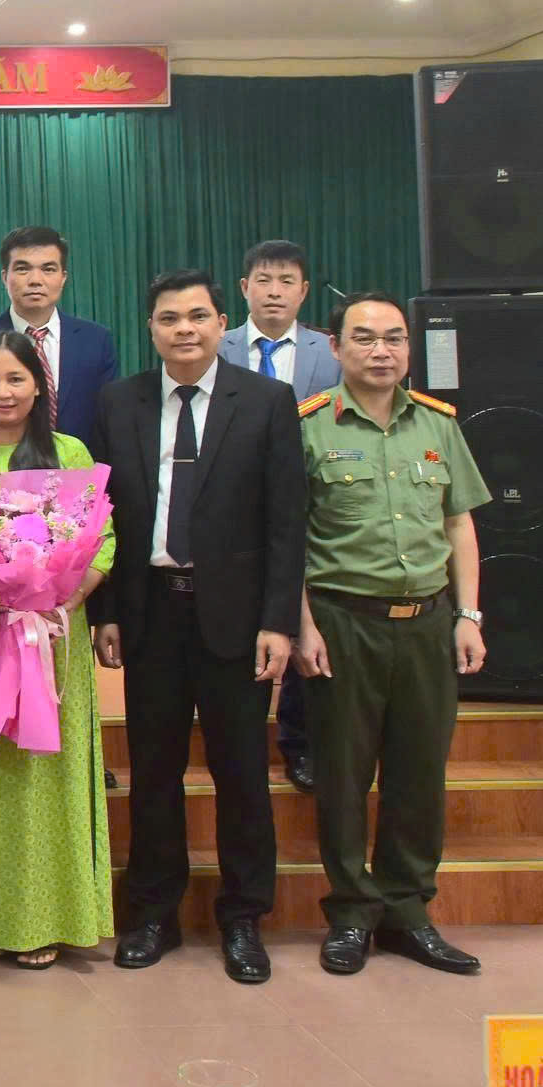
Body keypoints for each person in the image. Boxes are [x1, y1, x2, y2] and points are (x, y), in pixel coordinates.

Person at [89, 271, 305, 985]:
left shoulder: (266, 402)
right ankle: (154, 913)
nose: (184, 329)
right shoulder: (119, 402)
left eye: (197, 316)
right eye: (169, 318)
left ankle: (243, 917)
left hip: (237, 620)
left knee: (241, 772)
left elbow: (286, 522)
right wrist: (107, 611)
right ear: (150, 329)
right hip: (150, 612)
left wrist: (279, 621)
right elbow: (103, 517)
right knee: (154, 771)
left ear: (220, 323)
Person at [295, 294, 490, 978]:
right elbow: (287, 537)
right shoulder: (308, 428)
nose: (381, 351)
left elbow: (459, 522)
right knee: (344, 776)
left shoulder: (438, 424)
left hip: (429, 622)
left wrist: (469, 615)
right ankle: (352, 914)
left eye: (394, 338)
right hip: (343, 622)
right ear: (336, 348)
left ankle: (408, 913)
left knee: (419, 775)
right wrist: (303, 625)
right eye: (365, 338)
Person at [0, 331, 115, 969]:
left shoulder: (70, 453)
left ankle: (56, 916)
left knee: (49, 769)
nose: (3, 392)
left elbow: (104, 538)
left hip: (55, 636)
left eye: (15, 378)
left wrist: (69, 594)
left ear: (39, 385)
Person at [223, 239, 343, 794]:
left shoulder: (330, 352)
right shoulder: (217, 345)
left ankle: (300, 742)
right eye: (264, 280)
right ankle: (235, 738)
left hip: (313, 504)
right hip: (233, 506)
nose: (275, 291)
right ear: (244, 287)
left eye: (287, 281)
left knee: (306, 621)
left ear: (304, 291)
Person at [0, 226, 119, 443]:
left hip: (81, 463)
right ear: (4, 277)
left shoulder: (96, 340)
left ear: (63, 278)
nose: (35, 280)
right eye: (22, 269)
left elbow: (109, 420)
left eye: (48, 269)